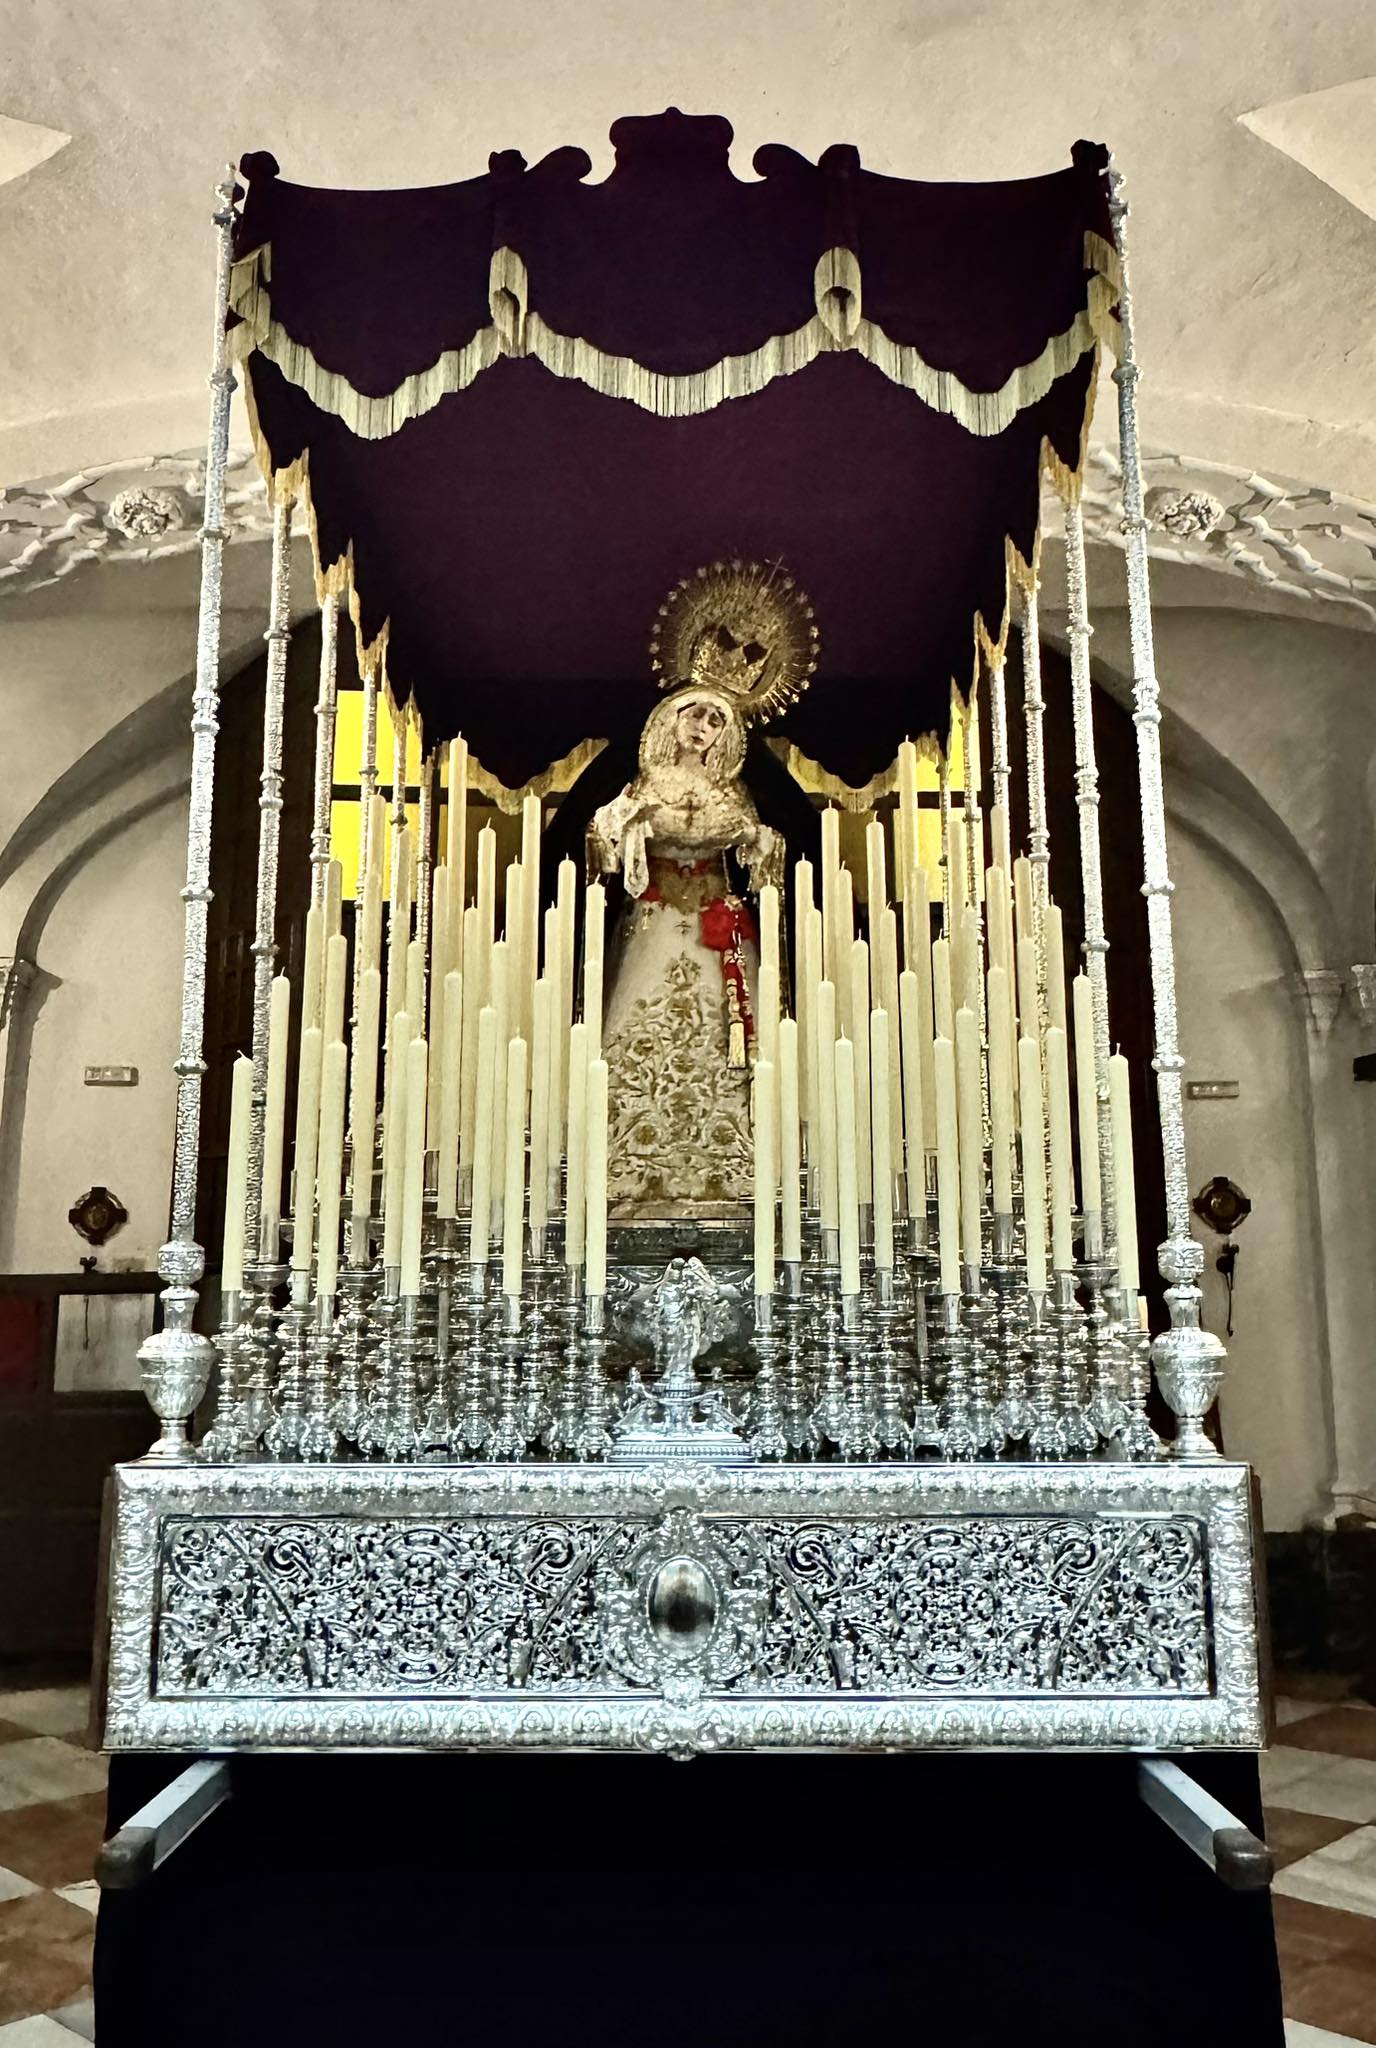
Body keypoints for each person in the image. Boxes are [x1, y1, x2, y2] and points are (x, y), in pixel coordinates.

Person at [588, 684, 784, 1217]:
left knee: (731, 1034)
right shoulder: (645, 784)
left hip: (717, 926)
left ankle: (731, 1167)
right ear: (668, 721)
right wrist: (624, 825)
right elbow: (602, 841)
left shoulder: (732, 791)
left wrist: (758, 842)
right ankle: (636, 1166)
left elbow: (759, 849)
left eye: (716, 721)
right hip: (655, 921)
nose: (702, 726)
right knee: (641, 1027)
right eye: (693, 714)